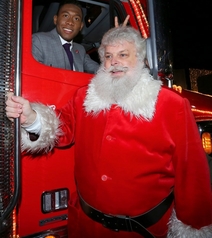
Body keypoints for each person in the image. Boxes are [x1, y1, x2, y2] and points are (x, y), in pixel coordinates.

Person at [6, 26, 212, 238]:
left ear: (140, 59)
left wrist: (195, 224)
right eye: (108, 56)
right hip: (86, 226)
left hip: (142, 231)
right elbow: (62, 127)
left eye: (123, 55)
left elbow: (192, 171)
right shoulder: (85, 96)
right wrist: (31, 118)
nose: (114, 61)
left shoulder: (171, 104)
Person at [32, 0, 99, 73]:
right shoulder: (38, 41)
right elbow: (33, 74)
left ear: (81, 26)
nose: (70, 22)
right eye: (65, 16)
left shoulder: (80, 50)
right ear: (55, 19)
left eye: (76, 18)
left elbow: (99, 70)